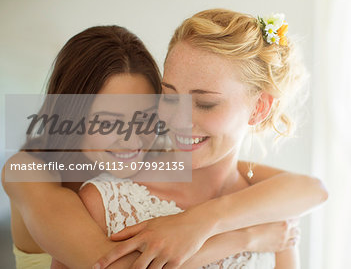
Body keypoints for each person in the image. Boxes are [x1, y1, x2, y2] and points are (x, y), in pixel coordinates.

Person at [1, 23, 327, 269]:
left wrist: (202, 221)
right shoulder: (28, 171)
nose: (130, 138)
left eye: (143, 116)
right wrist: (246, 237)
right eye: (106, 121)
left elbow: (309, 189)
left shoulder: (156, 160)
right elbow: (114, 266)